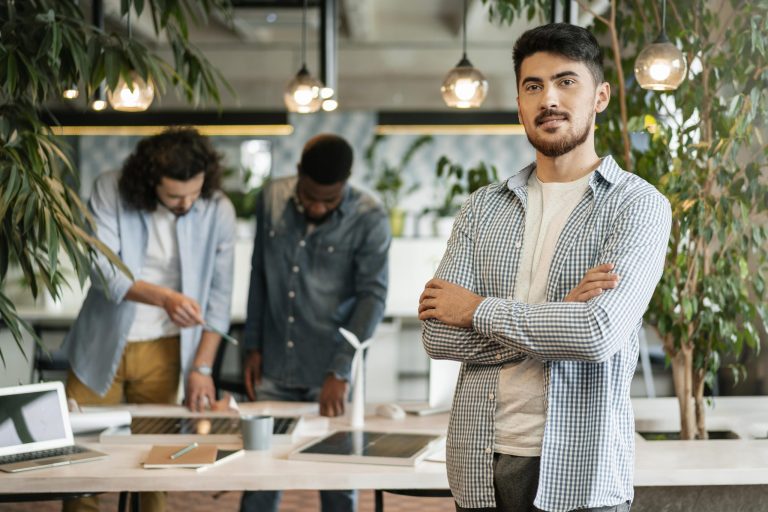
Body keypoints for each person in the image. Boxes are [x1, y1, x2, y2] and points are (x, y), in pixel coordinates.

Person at [419, 23, 672, 512]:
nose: (548, 99)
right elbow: (437, 336)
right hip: (480, 464)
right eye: (533, 86)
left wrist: (474, 310)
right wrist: (558, 316)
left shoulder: (637, 205)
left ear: (600, 97)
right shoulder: (482, 207)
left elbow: (596, 333)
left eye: (566, 82)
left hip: (583, 472)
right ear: (519, 103)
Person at [62, 127, 236, 512]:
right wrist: (166, 298)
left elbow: (219, 300)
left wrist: (202, 367)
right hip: (100, 344)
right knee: (78, 459)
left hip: (166, 350)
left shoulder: (218, 209)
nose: (186, 203)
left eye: (194, 192)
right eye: (174, 196)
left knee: (157, 462)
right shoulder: (111, 190)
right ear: (150, 181)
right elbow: (104, 272)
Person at [240, 133, 390, 512]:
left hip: (331, 370)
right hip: (274, 362)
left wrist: (341, 369)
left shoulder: (369, 216)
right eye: (310, 197)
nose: (319, 207)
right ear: (298, 174)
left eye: (330, 200)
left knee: (336, 476)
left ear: (345, 183)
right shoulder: (271, 198)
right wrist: (252, 345)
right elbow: (259, 275)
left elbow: (372, 297)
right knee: (260, 473)